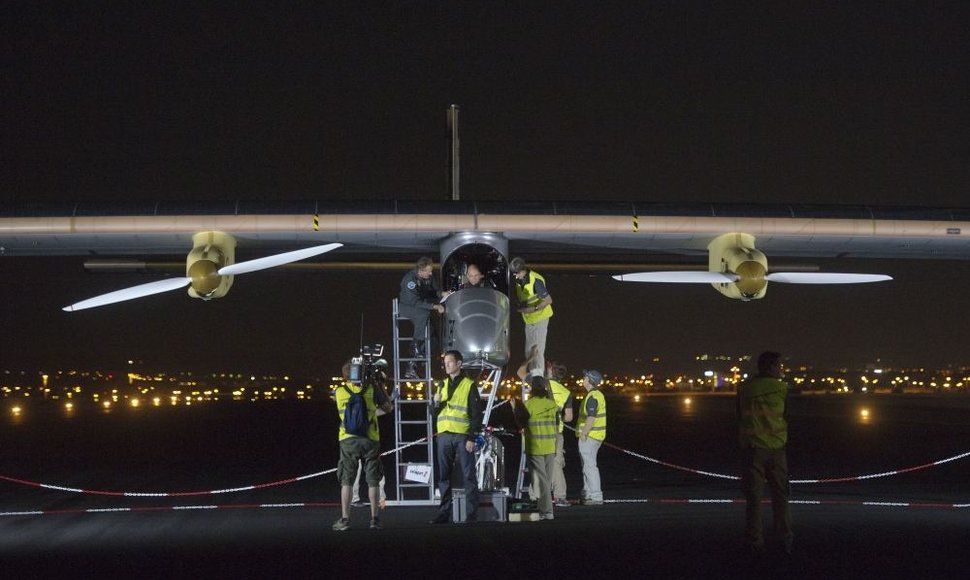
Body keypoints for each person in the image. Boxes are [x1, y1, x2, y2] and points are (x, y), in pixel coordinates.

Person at [737, 351, 793, 556]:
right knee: (781, 497)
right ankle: (784, 539)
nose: (781, 370)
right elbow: (787, 414)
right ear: (770, 367)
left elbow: (739, 415)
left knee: (754, 499)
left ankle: (754, 542)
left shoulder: (744, 388)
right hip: (777, 449)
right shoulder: (782, 388)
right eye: (779, 366)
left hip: (752, 449)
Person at [332, 359, 393, 531]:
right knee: (373, 480)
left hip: (348, 440)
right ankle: (374, 519)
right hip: (370, 439)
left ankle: (344, 520)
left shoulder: (339, 392)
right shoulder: (372, 390)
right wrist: (378, 383)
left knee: (347, 481)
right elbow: (388, 407)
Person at [429, 350, 484, 524]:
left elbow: (476, 414)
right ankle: (444, 513)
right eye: (445, 362)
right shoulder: (441, 385)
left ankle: (471, 515)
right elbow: (433, 413)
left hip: (462, 435)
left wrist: (472, 437)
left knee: (469, 475)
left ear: (459, 364)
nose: (446, 365)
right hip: (444, 435)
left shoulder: (469, 385)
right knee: (444, 476)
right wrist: (435, 402)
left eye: (450, 362)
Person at [517, 347, 574, 507]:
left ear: (549, 369)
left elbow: (520, 372)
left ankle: (535, 496)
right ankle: (560, 496)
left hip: (536, 432)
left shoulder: (540, 383)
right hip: (556, 433)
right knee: (555, 464)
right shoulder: (566, 392)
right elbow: (569, 417)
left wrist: (530, 357)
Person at [511, 374, 560, 521]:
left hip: (535, 447)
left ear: (532, 388)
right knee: (546, 480)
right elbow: (556, 426)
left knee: (541, 481)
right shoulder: (552, 405)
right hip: (550, 447)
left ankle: (547, 510)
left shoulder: (528, 405)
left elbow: (520, 424)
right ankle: (544, 509)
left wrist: (514, 408)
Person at [399, 257, 450, 379]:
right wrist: (434, 306)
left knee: (432, 338)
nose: (430, 273)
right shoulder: (409, 280)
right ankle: (416, 346)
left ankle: (413, 365)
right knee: (423, 314)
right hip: (408, 306)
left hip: (422, 305)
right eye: (428, 271)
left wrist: (441, 294)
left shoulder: (429, 278)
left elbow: (433, 290)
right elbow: (414, 301)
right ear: (420, 270)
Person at [510, 257, 553, 375]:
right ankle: (532, 376)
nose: (515, 276)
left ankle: (538, 378)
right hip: (529, 319)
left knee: (537, 350)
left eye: (516, 273)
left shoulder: (536, 280)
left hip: (540, 317)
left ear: (522, 270)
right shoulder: (520, 280)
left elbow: (548, 300)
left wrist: (533, 309)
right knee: (529, 352)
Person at [577, 369, 606, 505]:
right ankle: (588, 494)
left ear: (590, 380)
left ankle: (595, 496)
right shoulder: (596, 395)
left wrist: (583, 434)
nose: (583, 379)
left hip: (590, 436)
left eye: (585, 377)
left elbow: (591, 418)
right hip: (595, 436)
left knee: (589, 466)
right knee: (587, 466)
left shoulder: (592, 397)